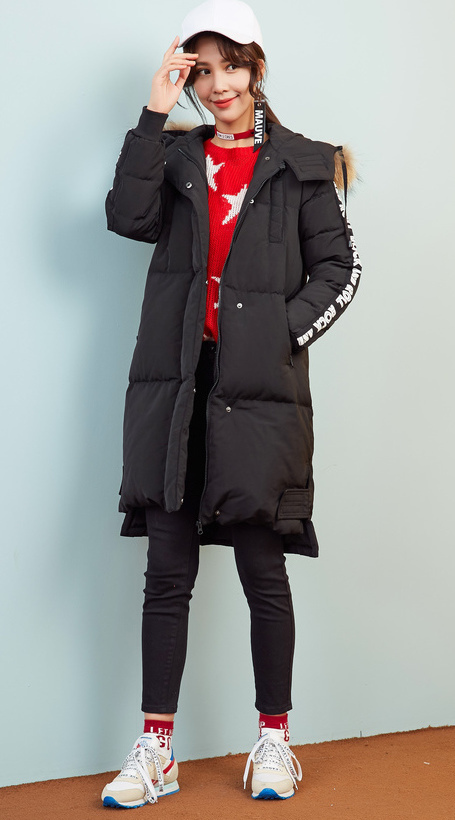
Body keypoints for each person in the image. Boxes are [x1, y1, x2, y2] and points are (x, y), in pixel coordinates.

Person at [101, 0, 361, 808]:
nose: (219, 85)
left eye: (232, 66)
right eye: (202, 71)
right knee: (166, 573)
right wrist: (153, 112)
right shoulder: (175, 159)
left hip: (257, 393)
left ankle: (274, 741)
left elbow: (340, 271)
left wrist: (276, 334)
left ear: (257, 67)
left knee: (262, 571)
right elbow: (126, 218)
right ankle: (157, 750)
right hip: (175, 387)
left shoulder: (305, 164)